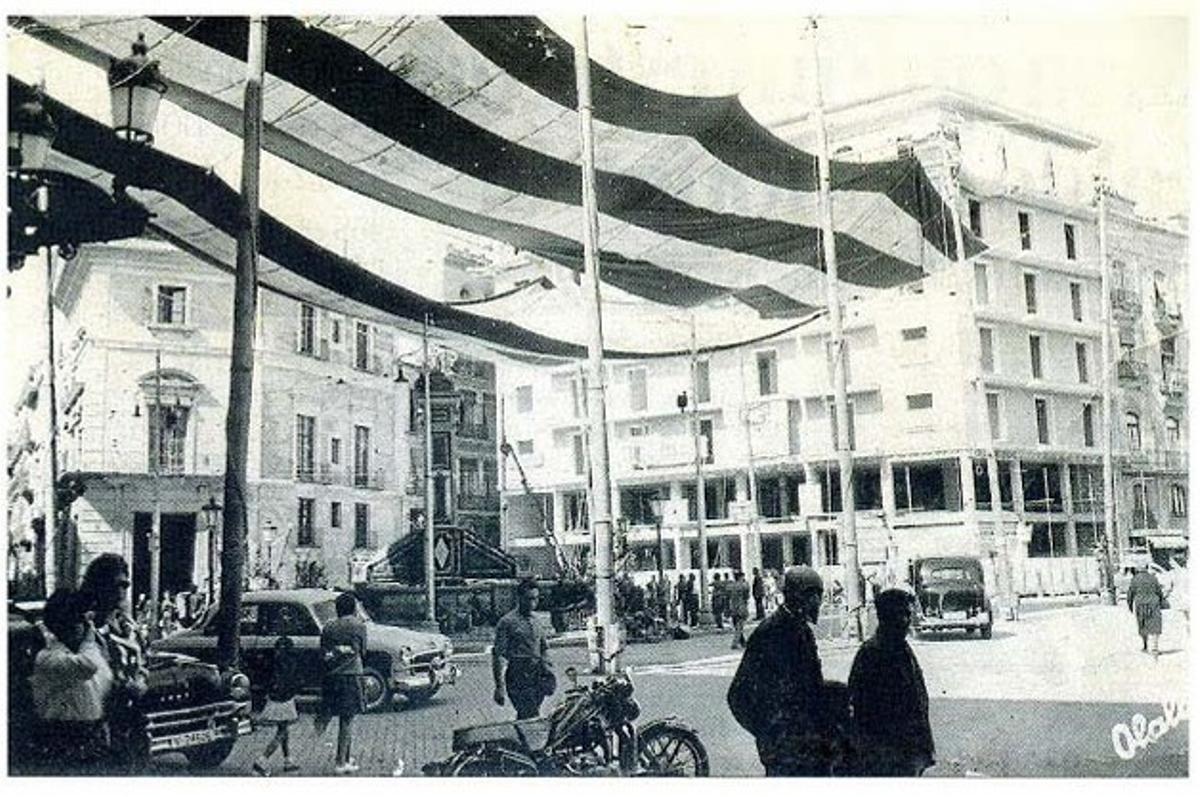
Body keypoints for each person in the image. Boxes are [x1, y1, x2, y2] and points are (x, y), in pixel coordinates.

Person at [727, 566, 832, 776]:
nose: (816, 601)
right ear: (794, 595)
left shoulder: (802, 630)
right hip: (784, 748)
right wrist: (766, 733)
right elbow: (737, 695)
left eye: (818, 595)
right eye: (810, 594)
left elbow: (811, 685)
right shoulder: (770, 632)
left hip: (810, 742)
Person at [847, 589, 935, 776]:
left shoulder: (902, 648)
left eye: (907, 614)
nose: (906, 620)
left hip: (908, 748)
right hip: (886, 752)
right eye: (901, 615)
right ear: (886, 618)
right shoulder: (872, 653)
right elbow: (862, 706)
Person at [29, 588, 114, 767]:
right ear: (64, 626)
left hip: (93, 735)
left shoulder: (84, 652)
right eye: (79, 622)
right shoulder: (48, 657)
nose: (84, 627)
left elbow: (105, 680)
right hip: (64, 738)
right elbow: (87, 666)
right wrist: (90, 639)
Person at [78, 554, 147, 767]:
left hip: (132, 723)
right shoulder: (82, 627)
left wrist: (141, 681)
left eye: (125, 585)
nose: (121, 592)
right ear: (98, 586)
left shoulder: (128, 626)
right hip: (95, 728)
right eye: (115, 585)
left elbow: (143, 661)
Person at [316, 591, 367, 774]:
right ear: (353, 608)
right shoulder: (359, 626)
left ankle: (345, 758)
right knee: (348, 719)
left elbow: (323, 652)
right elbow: (363, 651)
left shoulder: (328, 627)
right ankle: (340, 761)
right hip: (352, 675)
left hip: (332, 676)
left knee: (342, 717)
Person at [493, 578, 554, 720]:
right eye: (529, 599)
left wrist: (547, 666)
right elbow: (498, 656)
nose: (533, 603)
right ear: (519, 598)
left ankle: (523, 740)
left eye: (536, 599)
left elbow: (544, 647)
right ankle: (529, 740)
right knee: (529, 712)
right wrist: (499, 687)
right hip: (518, 675)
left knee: (529, 714)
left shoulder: (537, 620)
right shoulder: (507, 622)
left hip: (537, 674)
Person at [252, 635, 302, 776]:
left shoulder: (274, 662)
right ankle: (262, 760)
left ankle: (288, 759)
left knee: (283, 728)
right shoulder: (290, 663)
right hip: (286, 699)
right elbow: (295, 682)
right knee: (282, 732)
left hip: (274, 697)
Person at [1127, 563, 1166, 657]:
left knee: (1143, 625)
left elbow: (1130, 594)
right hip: (1154, 604)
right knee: (1155, 625)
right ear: (1147, 568)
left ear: (1137, 569)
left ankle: (1145, 646)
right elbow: (1159, 592)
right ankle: (1155, 648)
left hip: (1141, 605)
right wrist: (1161, 601)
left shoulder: (1135, 579)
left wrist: (1130, 606)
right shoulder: (1153, 578)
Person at [729, 571, 751, 649]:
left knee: (736, 625)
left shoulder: (731, 585)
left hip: (733, 607)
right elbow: (747, 596)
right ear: (740, 577)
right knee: (739, 626)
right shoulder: (744, 585)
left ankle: (743, 642)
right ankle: (735, 643)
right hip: (741, 607)